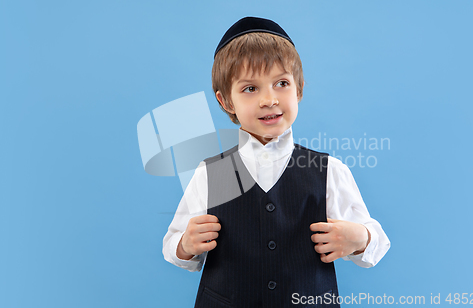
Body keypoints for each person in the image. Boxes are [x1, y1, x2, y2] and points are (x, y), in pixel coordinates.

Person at [163, 16, 390, 308]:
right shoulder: (210, 174)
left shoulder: (330, 171)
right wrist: (185, 245)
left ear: (299, 89)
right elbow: (174, 247)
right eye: (250, 89)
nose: (269, 100)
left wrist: (360, 237)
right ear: (226, 102)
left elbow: (378, 244)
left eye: (281, 83)